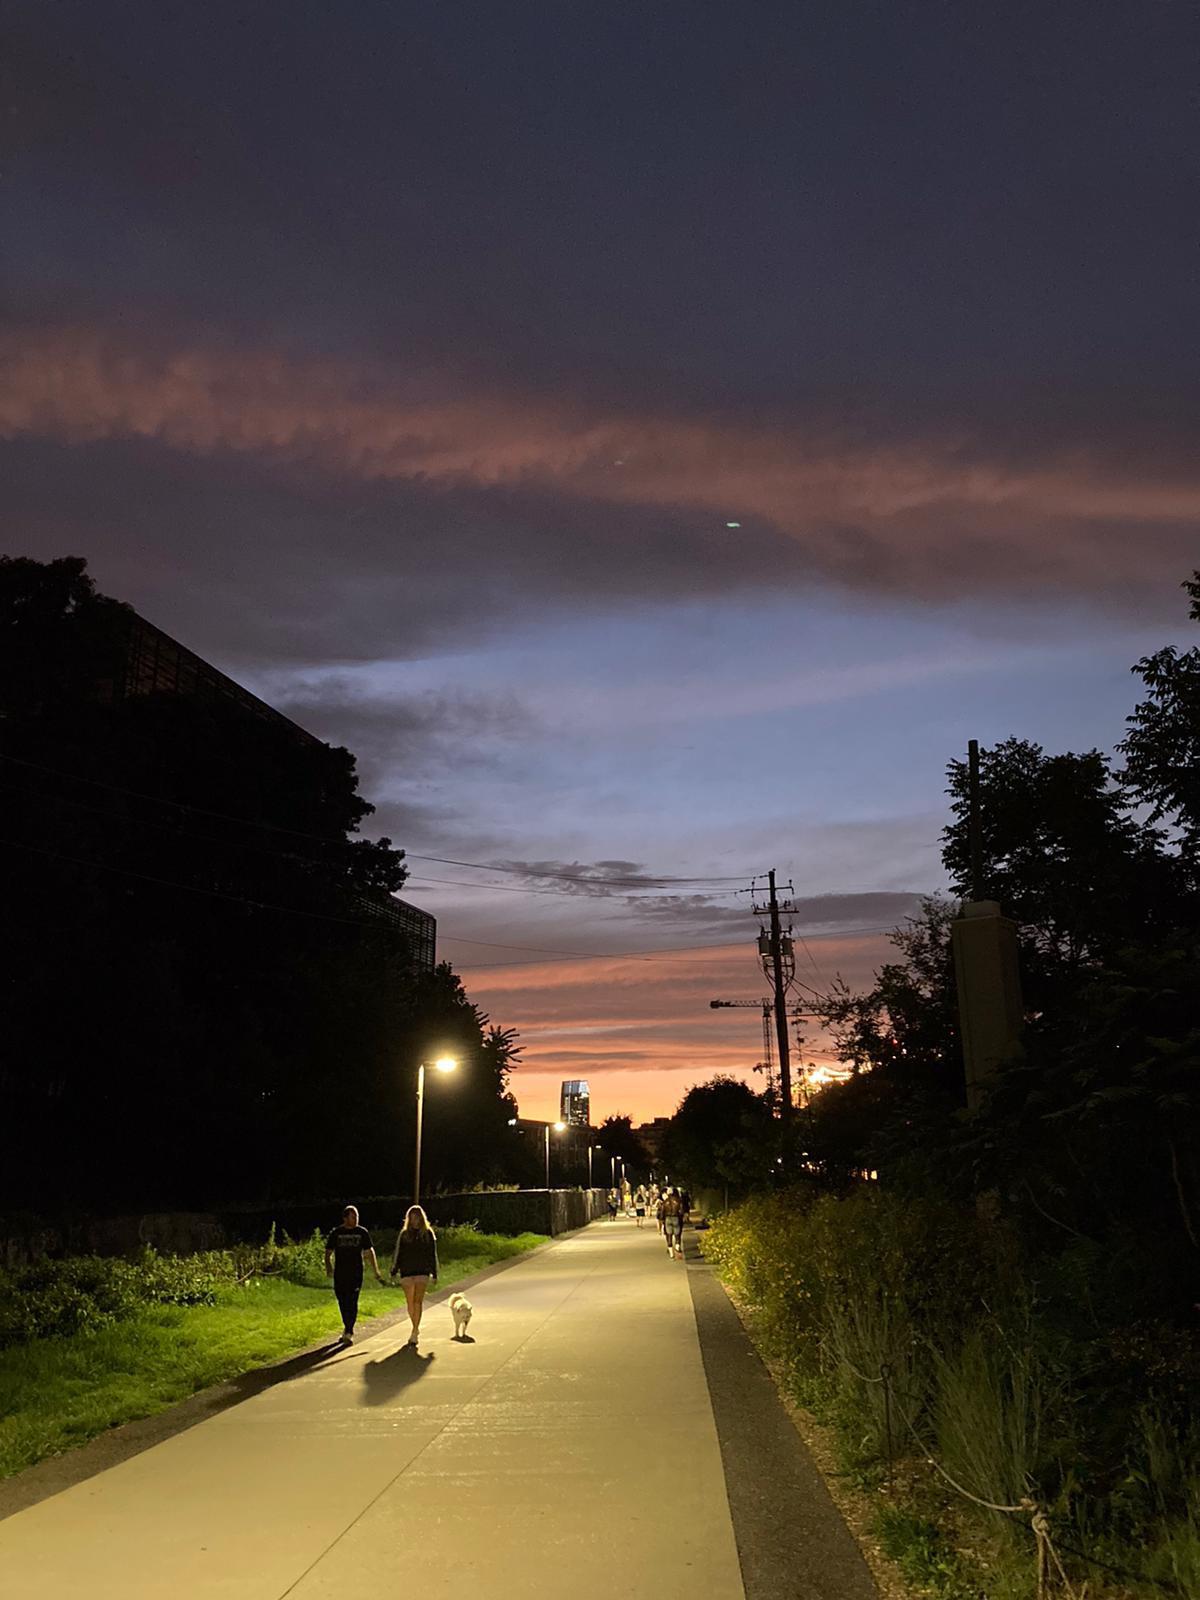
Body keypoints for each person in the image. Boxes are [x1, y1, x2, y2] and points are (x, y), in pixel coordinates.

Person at [324, 1204, 384, 1345]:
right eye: (353, 1216)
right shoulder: (336, 1233)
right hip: (340, 1273)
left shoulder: (362, 1232)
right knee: (342, 1300)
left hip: (356, 1272)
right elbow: (328, 1252)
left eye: (357, 1216)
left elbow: (369, 1252)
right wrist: (329, 1267)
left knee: (352, 1300)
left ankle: (349, 1330)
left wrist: (376, 1270)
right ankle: (347, 1325)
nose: (356, 1219)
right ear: (345, 1218)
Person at [390, 1204, 439, 1345]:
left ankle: (415, 1330)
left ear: (421, 1218)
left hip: (422, 1271)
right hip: (406, 1271)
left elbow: (432, 1254)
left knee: (417, 1301)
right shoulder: (404, 1235)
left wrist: (434, 1273)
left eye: (417, 1217)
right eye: (412, 1218)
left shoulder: (428, 1234)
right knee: (410, 1302)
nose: (414, 1221)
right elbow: (399, 1254)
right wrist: (394, 1271)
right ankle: (415, 1326)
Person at [661, 1187, 683, 1259]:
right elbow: (681, 1211)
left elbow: (662, 1211)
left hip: (667, 1218)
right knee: (677, 1234)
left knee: (669, 1235)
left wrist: (662, 1219)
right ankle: (677, 1246)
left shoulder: (665, 1202)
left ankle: (671, 1254)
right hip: (676, 1217)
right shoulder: (678, 1201)